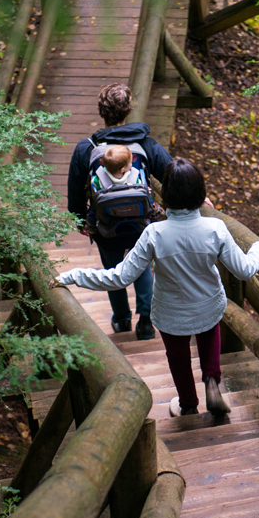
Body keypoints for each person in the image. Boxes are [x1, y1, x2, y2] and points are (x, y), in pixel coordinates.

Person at [52, 158, 259, 417]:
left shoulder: (154, 234)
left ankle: (187, 404)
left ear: (166, 195)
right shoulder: (215, 228)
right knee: (209, 334)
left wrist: (74, 276)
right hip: (208, 304)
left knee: (178, 357)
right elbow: (243, 269)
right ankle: (212, 382)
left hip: (170, 312)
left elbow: (119, 278)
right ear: (200, 193)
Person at [67, 84, 172, 340]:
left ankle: (122, 319)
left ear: (102, 111)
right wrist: (198, 195)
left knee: (112, 269)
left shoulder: (86, 148)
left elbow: (74, 188)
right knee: (142, 266)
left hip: (105, 225)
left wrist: (79, 219)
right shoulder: (145, 144)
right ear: (129, 109)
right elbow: (171, 172)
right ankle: (146, 321)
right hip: (142, 223)